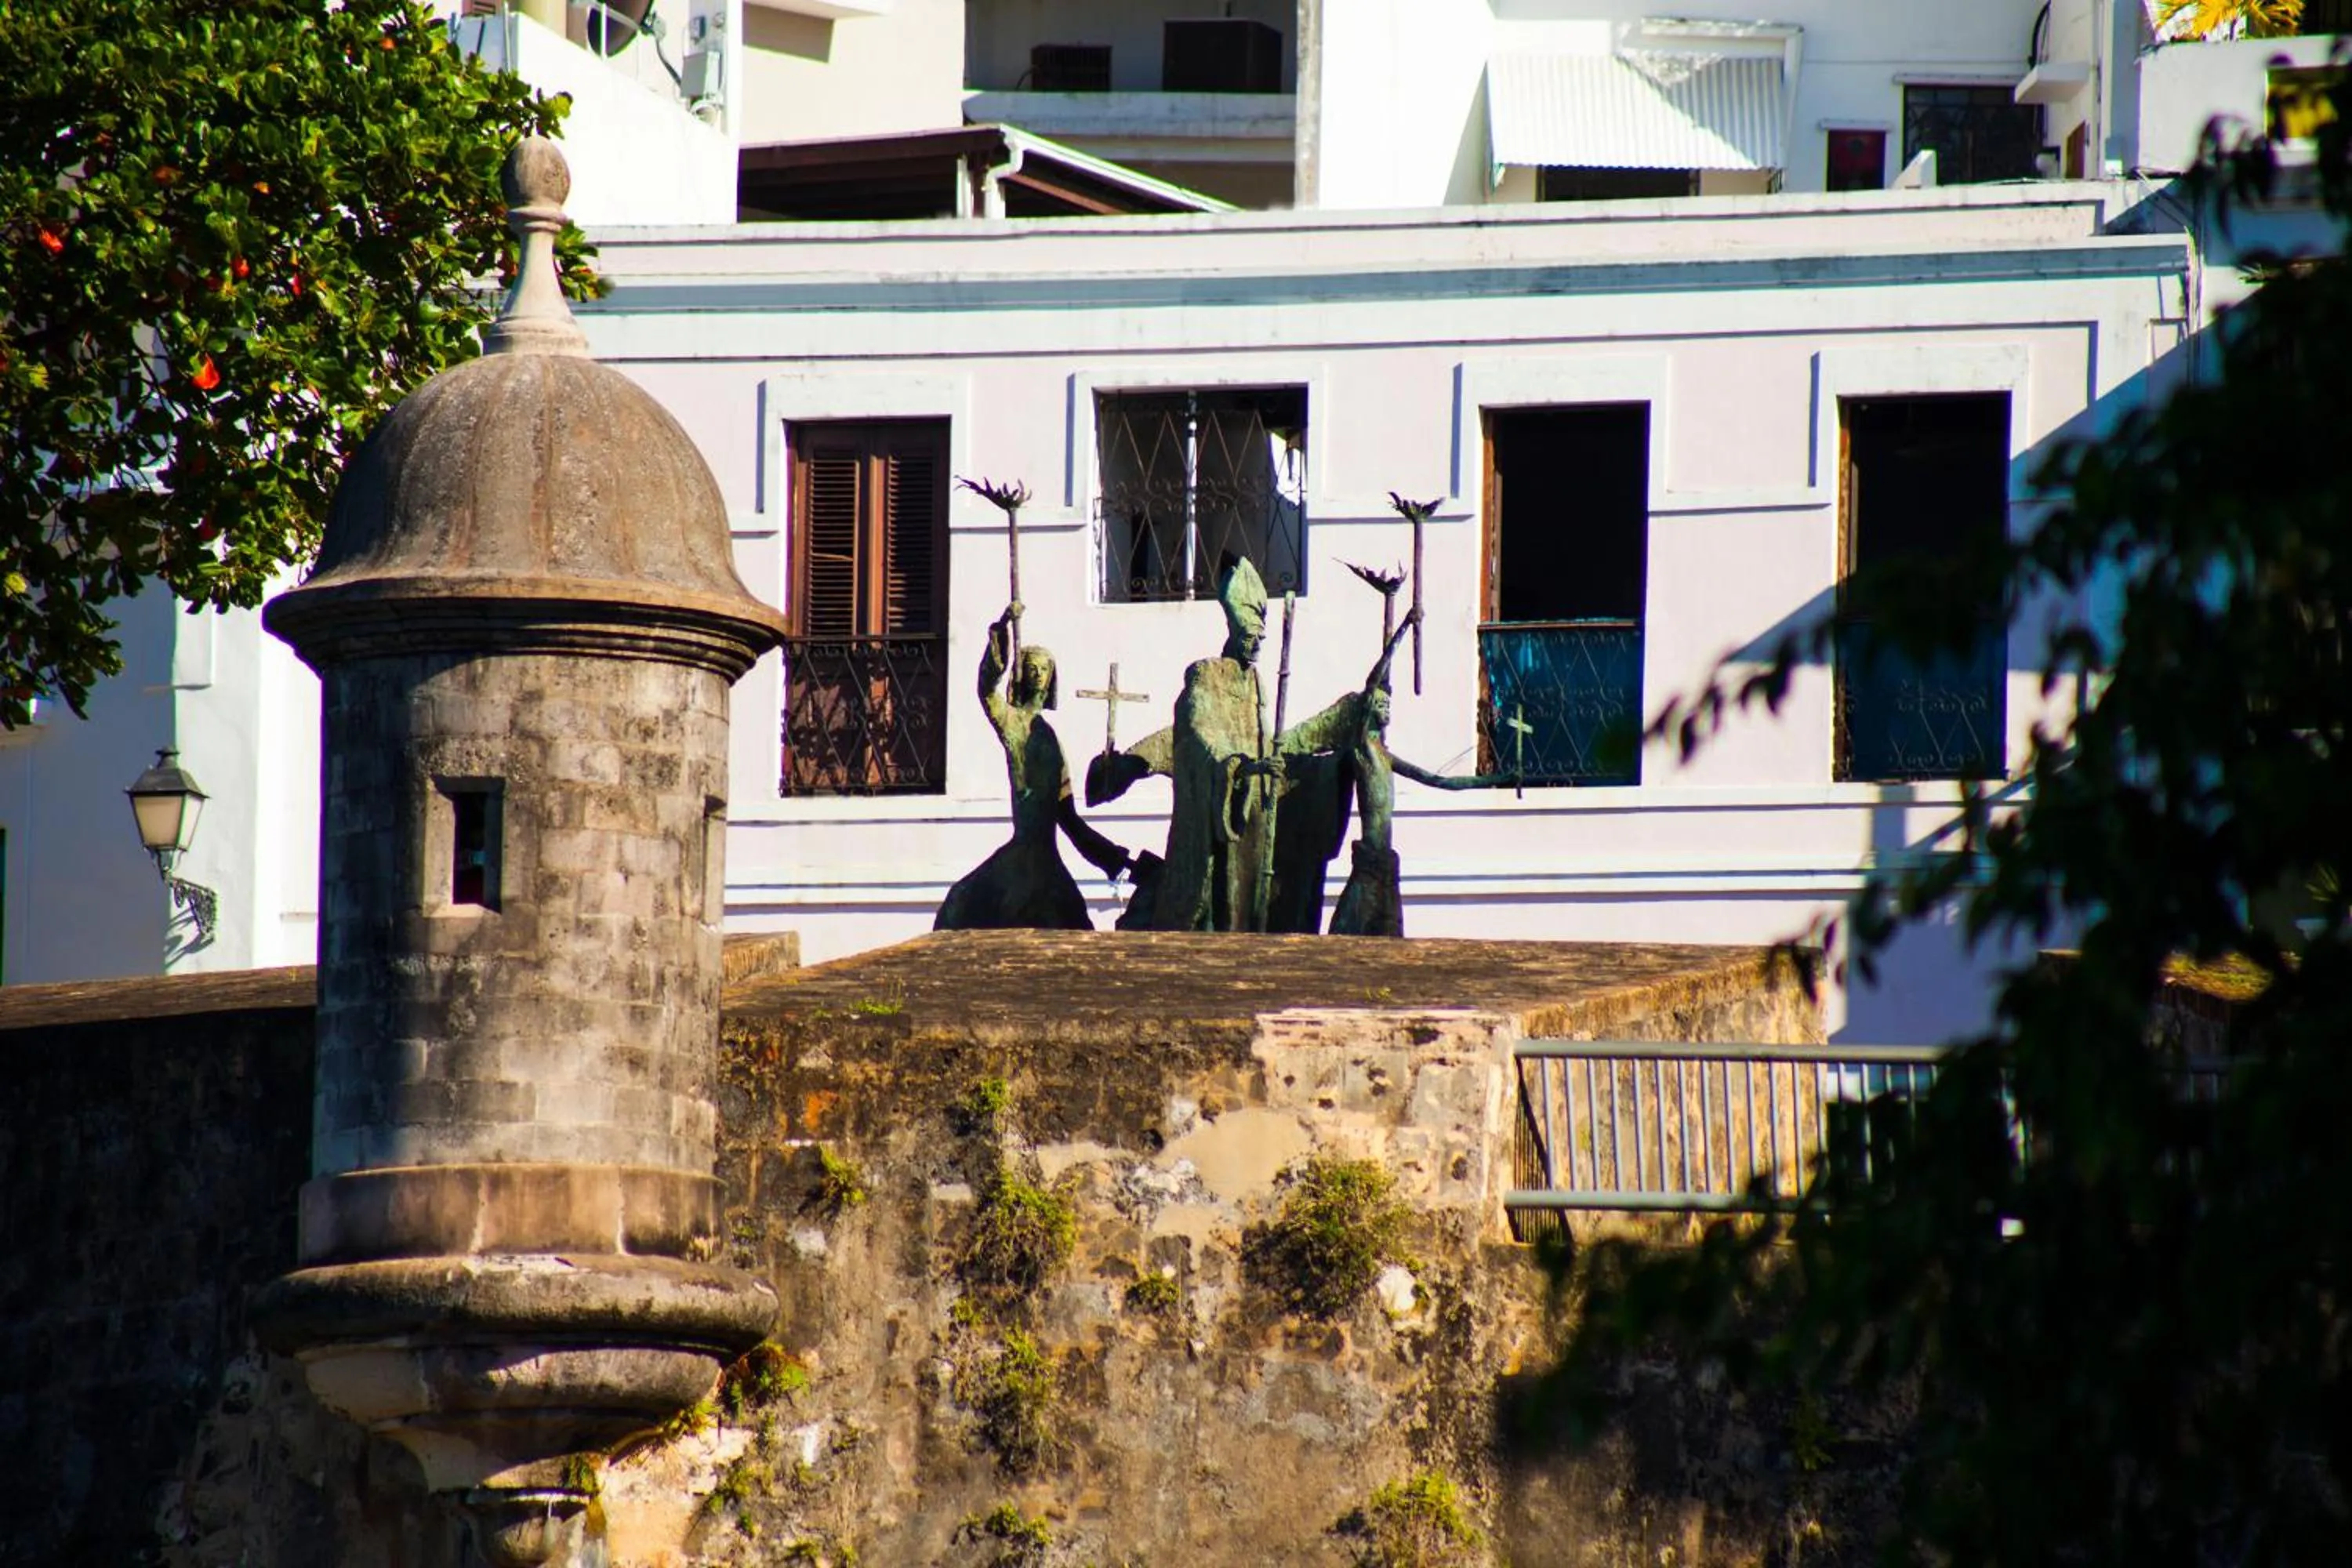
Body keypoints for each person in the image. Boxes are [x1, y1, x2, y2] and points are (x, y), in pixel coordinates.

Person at [935, 604, 1132, 930]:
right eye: (1032, 667)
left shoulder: (1052, 741)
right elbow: (986, 690)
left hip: (1047, 857)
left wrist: (1110, 857)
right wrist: (1003, 629)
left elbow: (1068, 818)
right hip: (1022, 854)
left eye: (1045, 668)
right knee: (970, 907)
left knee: (1076, 926)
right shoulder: (1012, 722)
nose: (1039, 674)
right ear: (1022, 674)